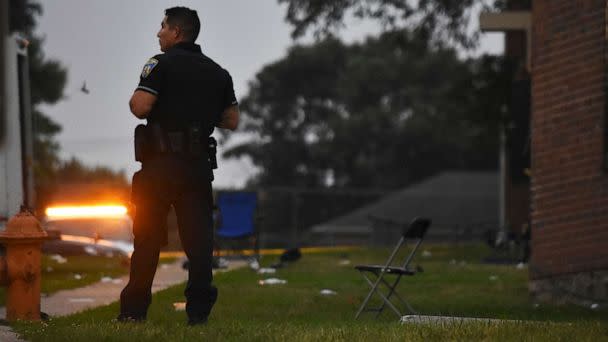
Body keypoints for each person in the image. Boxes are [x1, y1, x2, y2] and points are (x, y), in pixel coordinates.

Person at [118, 6, 239, 326]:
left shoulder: (159, 63)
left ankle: (133, 312)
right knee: (199, 245)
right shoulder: (218, 72)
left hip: (159, 166)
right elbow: (232, 120)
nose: (158, 33)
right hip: (197, 168)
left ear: (176, 32)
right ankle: (198, 315)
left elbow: (140, 106)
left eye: (162, 27)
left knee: (147, 239)